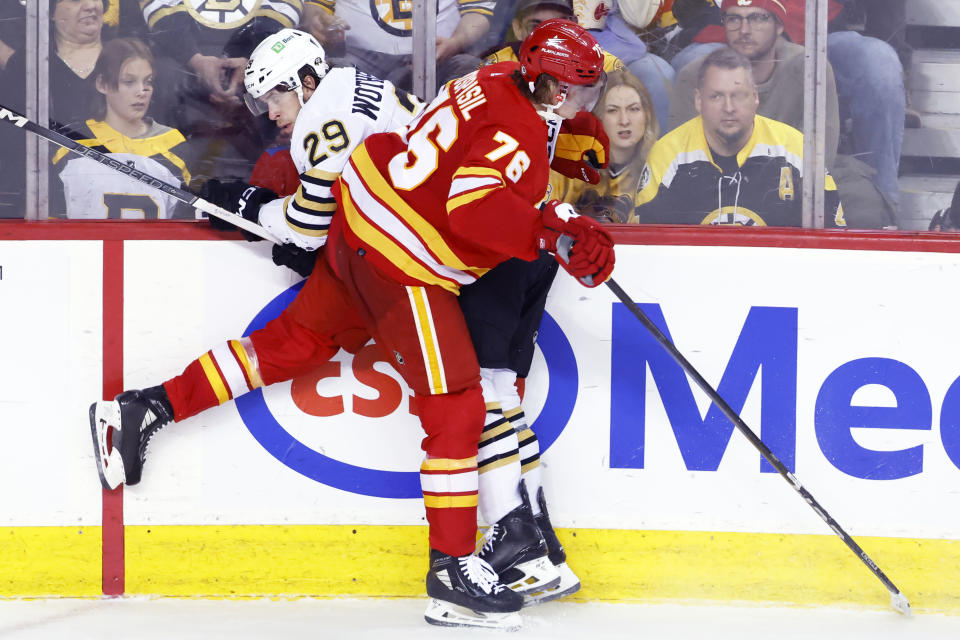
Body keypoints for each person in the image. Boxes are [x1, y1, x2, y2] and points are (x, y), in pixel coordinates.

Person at [89, 22, 614, 629]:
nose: (273, 113)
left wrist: (251, 207)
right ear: (547, 85)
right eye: (575, 93)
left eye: (276, 98)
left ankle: (145, 407)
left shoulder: (493, 78)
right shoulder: (364, 92)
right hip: (402, 260)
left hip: (364, 235)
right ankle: (451, 573)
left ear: (306, 79)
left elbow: (325, 220)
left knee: (285, 347)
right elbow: (472, 202)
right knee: (457, 403)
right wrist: (549, 223)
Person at [634, 46, 844, 227]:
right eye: (716, 96)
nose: (728, 108)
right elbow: (645, 249)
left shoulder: (797, 149)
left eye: (738, 95)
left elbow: (834, 240)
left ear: (755, 97)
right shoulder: (667, 155)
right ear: (699, 101)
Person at [50, 37, 193, 219]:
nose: (142, 91)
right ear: (102, 84)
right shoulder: (71, 144)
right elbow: (49, 225)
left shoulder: (174, 146)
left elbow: (187, 231)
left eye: (148, 81)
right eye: (129, 82)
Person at [313, 0, 493, 94]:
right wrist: (320, 23)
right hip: (359, 60)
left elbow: (478, 10)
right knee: (329, 74)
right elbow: (314, 8)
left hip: (441, 61)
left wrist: (456, 42)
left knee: (472, 70)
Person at [552, 68, 659, 223]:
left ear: (647, 115)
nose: (624, 120)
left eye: (633, 109)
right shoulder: (568, 163)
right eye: (612, 110)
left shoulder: (661, 163)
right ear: (597, 116)